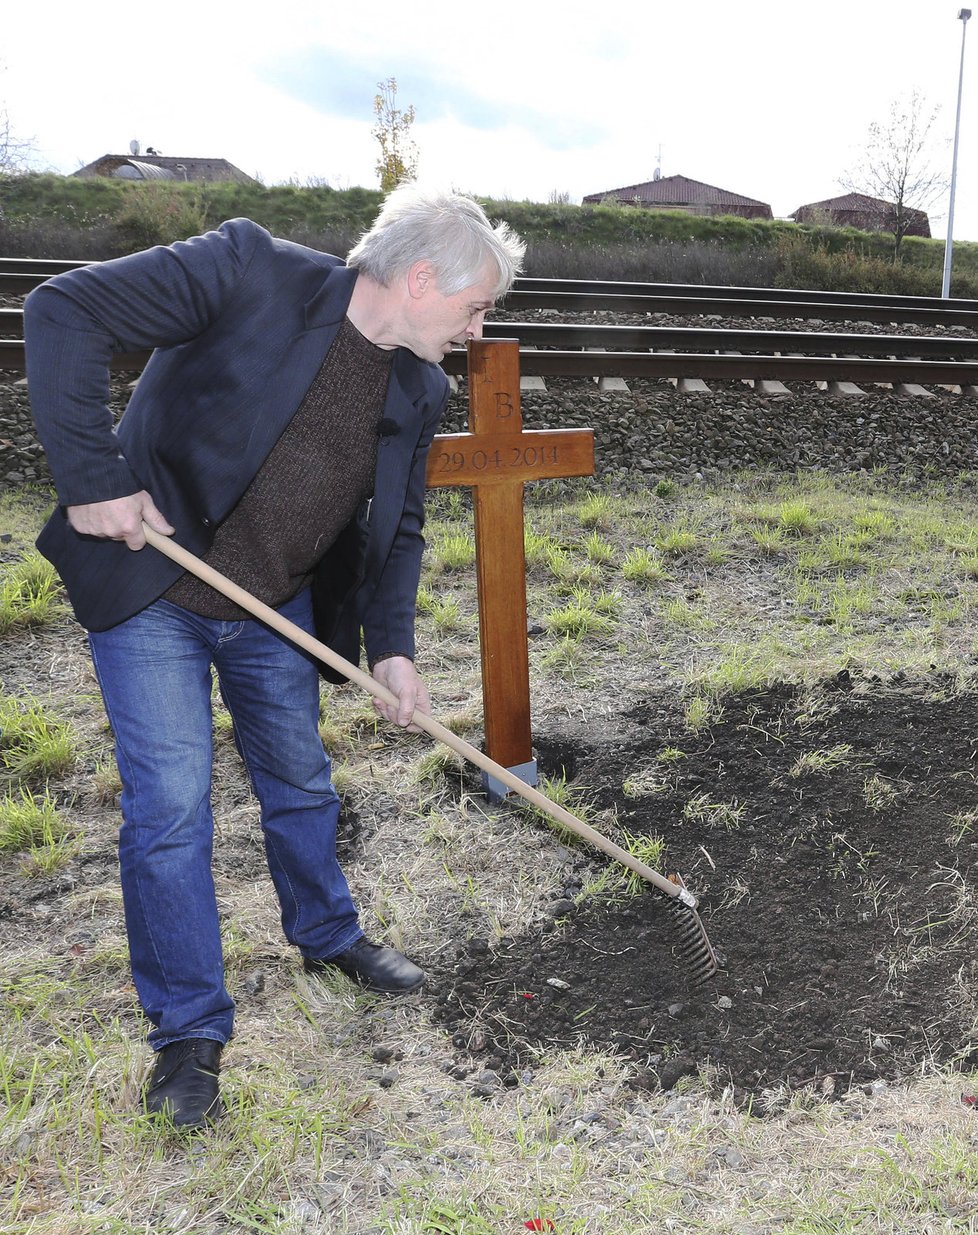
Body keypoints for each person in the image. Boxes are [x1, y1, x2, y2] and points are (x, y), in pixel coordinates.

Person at [25, 184, 525, 1129]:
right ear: (422, 279)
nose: (478, 327)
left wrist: (395, 651)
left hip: (274, 605)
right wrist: (94, 478)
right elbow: (62, 308)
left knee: (301, 778)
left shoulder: (418, 384)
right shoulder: (247, 269)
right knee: (171, 809)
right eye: (475, 306)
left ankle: (329, 934)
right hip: (155, 591)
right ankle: (187, 1033)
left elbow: (401, 527)